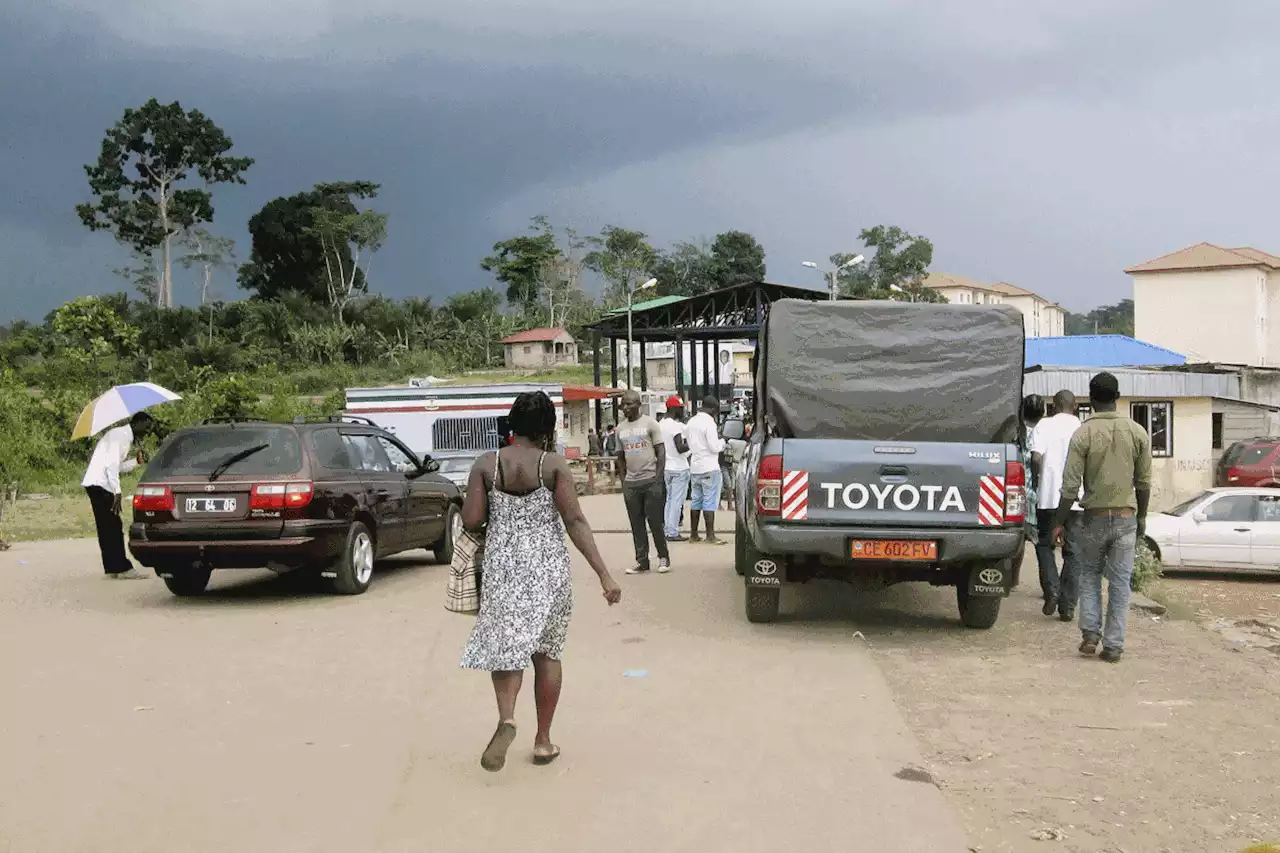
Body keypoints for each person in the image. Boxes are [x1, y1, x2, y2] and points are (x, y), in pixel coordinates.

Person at [459, 391, 621, 771]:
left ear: (513, 421)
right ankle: (543, 741)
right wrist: (603, 574)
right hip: (547, 570)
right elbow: (575, 522)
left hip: (503, 569)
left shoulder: (487, 464)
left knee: (506, 648)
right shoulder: (553, 466)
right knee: (547, 652)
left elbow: (471, 520)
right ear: (547, 427)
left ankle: (507, 717)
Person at [1054, 372, 1152, 664]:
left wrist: (1059, 521)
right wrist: (1142, 517)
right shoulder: (1137, 432)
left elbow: (1070, 486)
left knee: (1089, 575)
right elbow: (1144, 482)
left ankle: (1090, 634)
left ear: (1091, 399)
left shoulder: (1082, 434)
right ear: (1117, 397)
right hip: (1126, 517)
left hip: (1093, 518)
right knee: (1120, 583)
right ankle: (1114, 645)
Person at [1030, 389, 1084, 620]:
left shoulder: (1043, 425)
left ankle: (1051, 590)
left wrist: (1037, 482)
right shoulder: (1083, 427)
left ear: (1054, 405)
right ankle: (1068, 606)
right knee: (1074, 552)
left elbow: (1035, 458)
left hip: (1049, 498)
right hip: (1078, 500)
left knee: (1044, 544)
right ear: (1075, 406)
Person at [82, 412, 153, 579]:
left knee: (107, 527)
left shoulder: (121, 436)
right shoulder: (121, 436)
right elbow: (111, 467)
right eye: (147, 427)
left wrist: (137, 462)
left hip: (96, 483)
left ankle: (113, 567)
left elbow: (117, 466)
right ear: (138, 423)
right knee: (113, 527)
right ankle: (122, 568)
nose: (148, 432)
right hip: (101, 484)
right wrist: (117, 492)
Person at [615, 390, 670, 573]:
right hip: (632, 484)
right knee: (636, 524)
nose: (625, 407)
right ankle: (642, 561)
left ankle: (663, 558)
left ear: (638, 405)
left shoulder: (651, 424)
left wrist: (658, 478)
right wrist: (624, 481)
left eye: (629, 404)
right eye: (623, 404)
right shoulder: (620, 429)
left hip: (651, 480)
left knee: (655, 522)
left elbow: (661, 452)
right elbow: (620, 457)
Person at [686, 396, 727, 544]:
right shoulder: (709, 423)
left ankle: (694, 534)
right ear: (713, 409)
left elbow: (689, 444)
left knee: (696, 500)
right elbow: (714, 447)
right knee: (709, 501)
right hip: (709, 467)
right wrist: (723, 442)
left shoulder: (691, 422)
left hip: (695, 467)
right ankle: (710, 536)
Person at [658, 395, 691, 542]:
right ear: (674, 409)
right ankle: (672, 532)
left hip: (666, 467)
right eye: (680, 408)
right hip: (679, 467)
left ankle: (667, 529)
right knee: (677, 502)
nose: (682, 411)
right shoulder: (675, 426)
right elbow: (680, 448)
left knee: (669, 500)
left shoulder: (660, 425)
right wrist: (693, 445)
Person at [1020, 394, 1044, 553]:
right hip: (1037, 496)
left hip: (1015, 495)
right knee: (1040, 546)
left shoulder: (1016, 432)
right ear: (1042, 412)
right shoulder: (1045, 432)